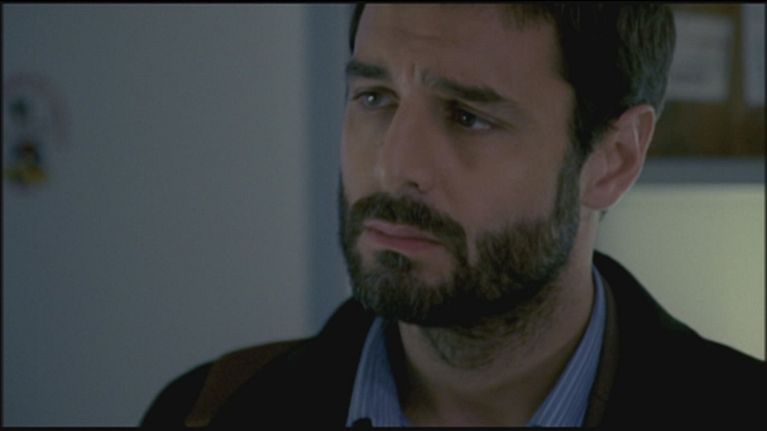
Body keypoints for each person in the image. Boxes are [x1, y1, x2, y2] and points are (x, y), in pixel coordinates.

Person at [141, 4, 764, 428]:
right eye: (375, 98)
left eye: (468, 116)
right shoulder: (208, 411)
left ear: (613, 160)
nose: (394, 166)